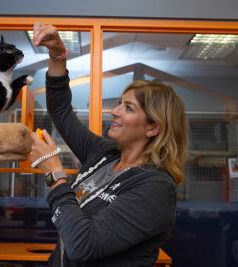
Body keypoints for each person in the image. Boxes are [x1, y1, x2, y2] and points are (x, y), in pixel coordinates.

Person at [29, 22, 188, 267]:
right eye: (119, 103)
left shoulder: (156, 188)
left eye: (128, 108)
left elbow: (84, 245)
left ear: (153, 127)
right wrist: (57, 54)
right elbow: (60, 110)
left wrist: (54, 173)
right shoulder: (103, 154)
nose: (114, 111)